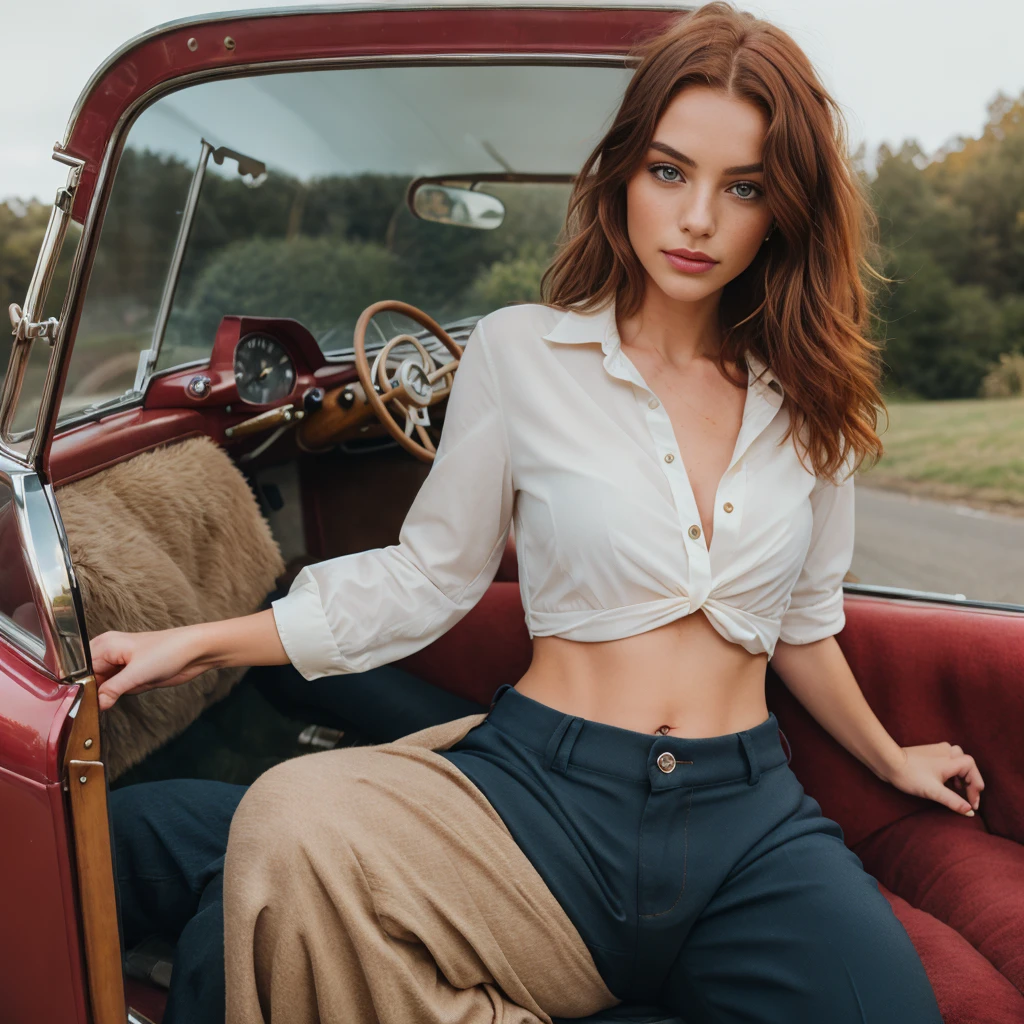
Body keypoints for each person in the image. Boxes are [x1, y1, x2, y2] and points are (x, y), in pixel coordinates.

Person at [95, 4, 985, 1022]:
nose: (697, 218)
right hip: (544, 788)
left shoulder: (810, 404)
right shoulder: (520, 353)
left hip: (744, 813)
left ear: (781, 209)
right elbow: (429, 576)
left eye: (741, 188)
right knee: (291, 821)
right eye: (669, 171)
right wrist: (198, 644)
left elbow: (804, 621)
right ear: (621, 176)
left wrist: (888, 757)